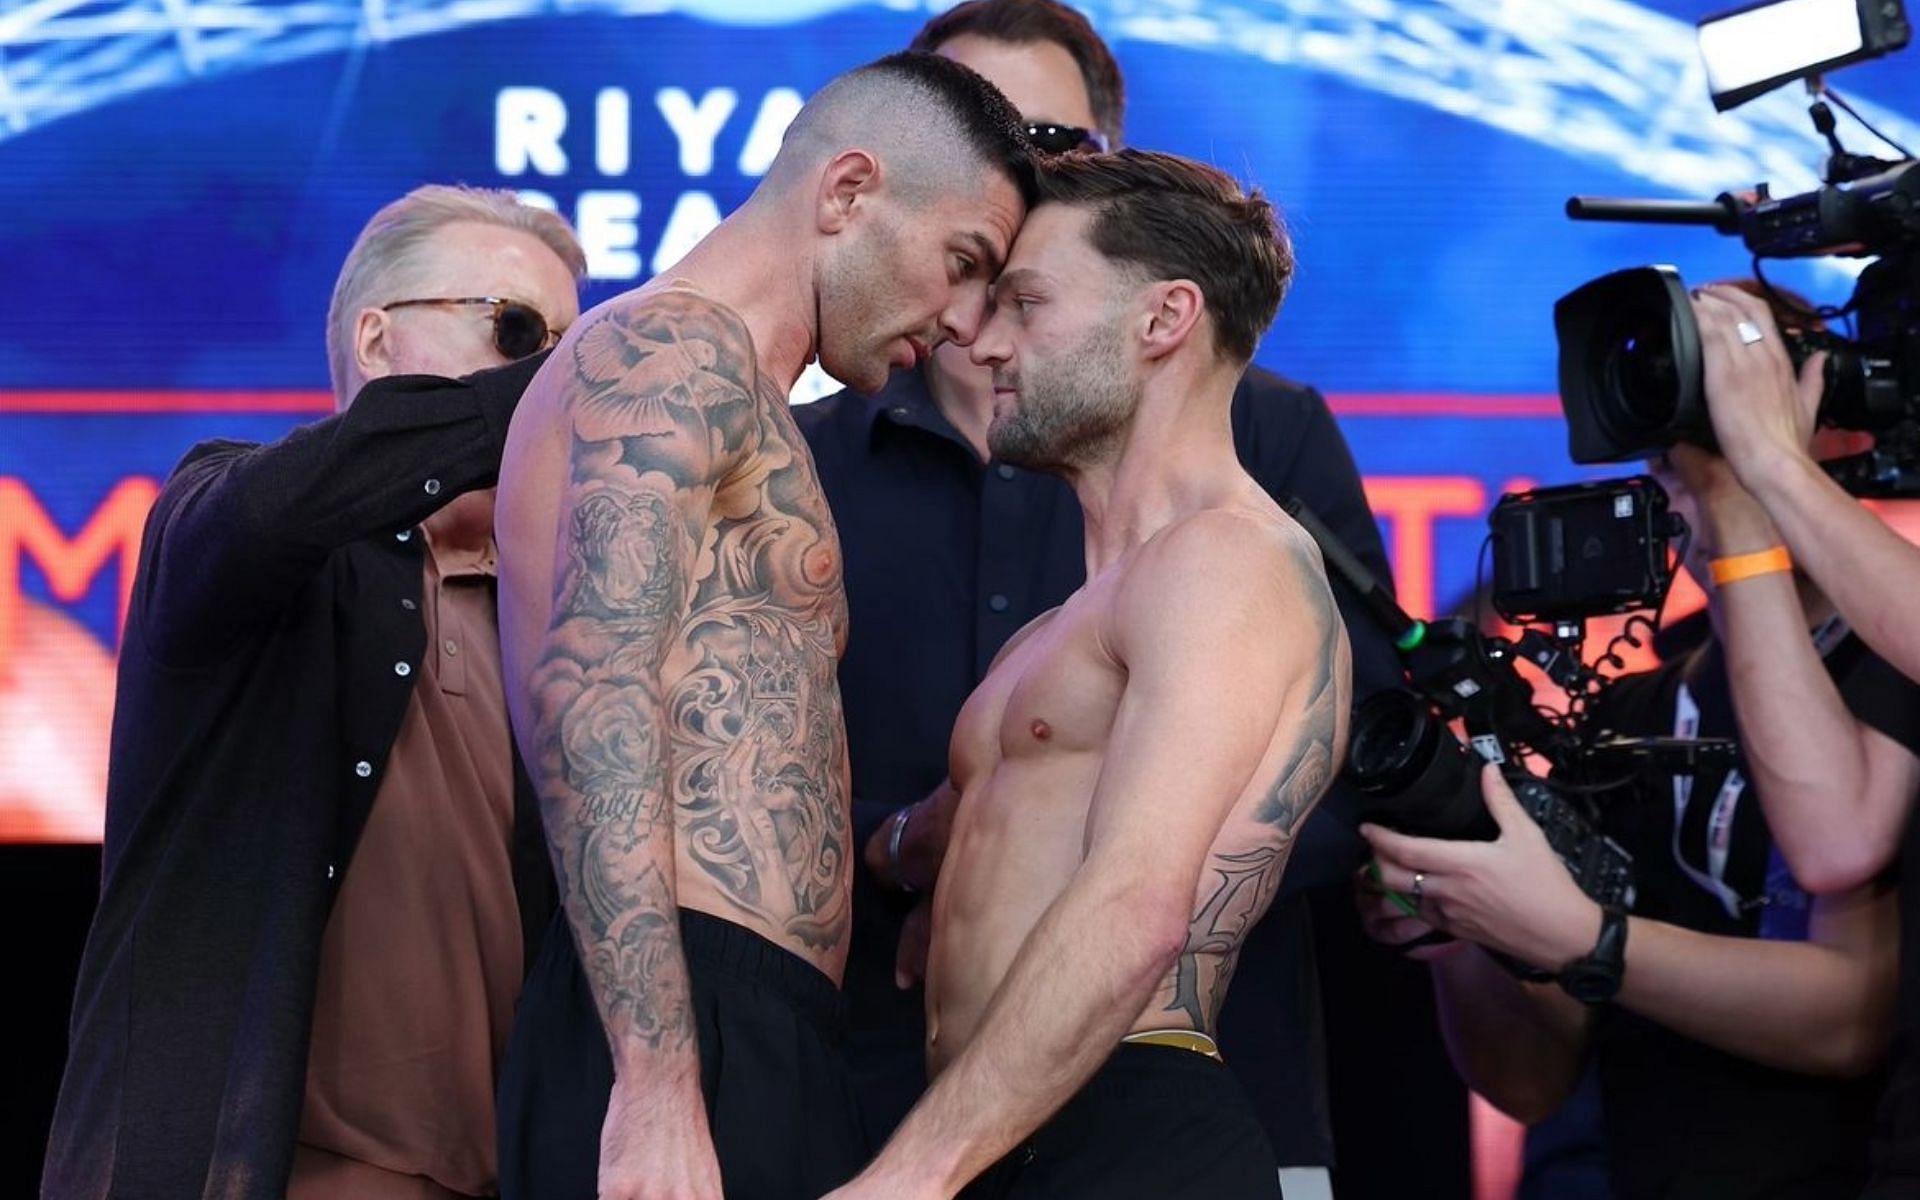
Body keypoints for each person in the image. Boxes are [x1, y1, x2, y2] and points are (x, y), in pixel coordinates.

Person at [794, 5, 1416, 1191]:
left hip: (1123, 1118)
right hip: (996, 1121)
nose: (984, 342)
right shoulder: (1074, 616)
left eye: (1028, 304)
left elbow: (1138, 903)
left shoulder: (1224, 560)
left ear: (1164, 318)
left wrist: (906, 1178)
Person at [489, 51, 1035, 1200]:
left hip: (749, 1027)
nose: (958, 322)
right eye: (962, 263)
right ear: (846, 193)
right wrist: (653, 1084)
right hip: (677, 1016)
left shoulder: (740, 387)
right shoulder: (674, 355)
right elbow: (596, 688)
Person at [42, 185, 587, 1200]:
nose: (548, 380)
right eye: (517, 333)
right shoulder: (235, 522)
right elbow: (286, 509)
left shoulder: (559, 612)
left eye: (562, 351)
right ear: (377, 341)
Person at [1358, 419, 1919, 1196]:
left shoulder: (1893, 668)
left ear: (1840, 439)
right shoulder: (1623, 715)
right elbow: (1530, 1084)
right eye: (1677, 456)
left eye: (1730, 440)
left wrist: (1589, 939)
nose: (1705, 480)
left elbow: (1851, 1021)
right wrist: (1462, 927)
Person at [1676, 282, 1920, 1194]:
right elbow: (1835, 841)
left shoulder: (1886, 615)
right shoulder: (1665, 674)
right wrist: (1742, 498)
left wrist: (1775, 464)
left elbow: (1833, 845)